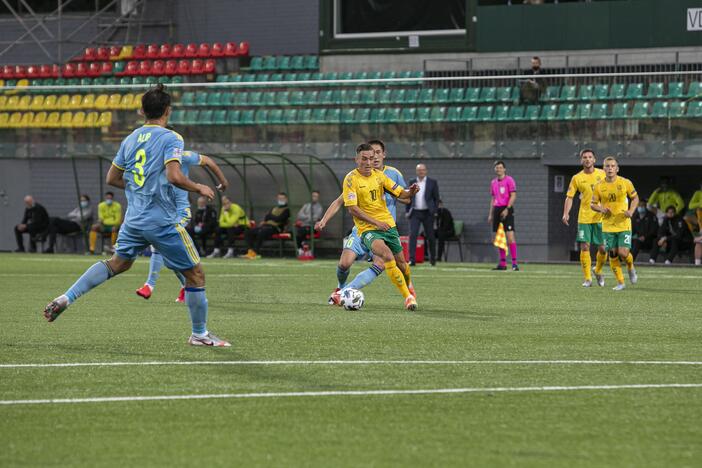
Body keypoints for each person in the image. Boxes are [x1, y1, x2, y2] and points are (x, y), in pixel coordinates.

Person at [43, 83, 230, 347]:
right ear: (168, 110)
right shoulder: (171, 138)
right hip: (160, 220)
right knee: (196, 275)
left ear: (142, 111)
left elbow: (112, 178)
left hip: (133, 219)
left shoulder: (129, 139)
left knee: (118, 263)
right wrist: (198, 186)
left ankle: (66, 297)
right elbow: (175, 176)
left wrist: (139, 188)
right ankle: (199, 334)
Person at [315, 139, 414, 303]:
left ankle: (345, 293)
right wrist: (324, 220)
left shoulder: (390, 175)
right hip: (363, 227)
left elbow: (406, 198)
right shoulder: (353, 178)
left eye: (376, 154)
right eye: (368, 156)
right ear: (360, 158)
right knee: (344, 264)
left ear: (383, 155)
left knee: (382, 263)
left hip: (385, 229)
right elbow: (340, 201)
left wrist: (401, 193)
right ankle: (341, 287)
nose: (372, 159)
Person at [136, 150, 229, 301]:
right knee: (169, 255)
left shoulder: (183, 156)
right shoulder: (153, 157)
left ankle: (149, 285)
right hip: (162, 212)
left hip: (180, 211)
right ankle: (184, 286)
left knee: (158, 246)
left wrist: (223, 181)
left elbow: (208, 160)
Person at [338, 143, 419, 310]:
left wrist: (411, 192)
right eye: (364, 159)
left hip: (388, 225)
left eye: (371, 159)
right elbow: (353, 208)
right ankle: (408, 298)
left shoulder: (380, 176)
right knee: (385, 254)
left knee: (403, 264)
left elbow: (401, 193)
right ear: (357, 159)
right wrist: (375, 222)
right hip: (368, 229)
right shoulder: (351, 179)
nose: (368, 162)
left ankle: (409, 286)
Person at [591, 156, 639, 291]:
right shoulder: (599, 186)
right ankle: (621, 282)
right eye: (607, 166)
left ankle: (630, 267)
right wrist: (601, 209)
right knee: (612, 253)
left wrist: (631, 210)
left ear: (617, 169)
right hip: (608, 225)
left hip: (623, 223)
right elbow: (593, 204)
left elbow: (635, 198)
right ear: (604, 169)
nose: (610, 168)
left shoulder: (625, 183)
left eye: (612, 166)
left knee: (623, 253)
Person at [561, 149, 607, 287]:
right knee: (585, 246)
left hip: (600, 217)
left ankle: (598, 270)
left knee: (603, 249)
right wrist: (566, 213)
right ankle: (588, 279)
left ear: (594, 159)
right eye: (585, 157)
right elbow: (569, 197)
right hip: (584, 217)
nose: (587, 159)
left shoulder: (603, 174)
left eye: (590, 157)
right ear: (581, 160)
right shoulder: (577, 178)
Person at [406, 163, 440, 266]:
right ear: (417, 171)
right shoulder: (412, 181)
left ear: (426, 171)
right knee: (413, 235)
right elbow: (408, 196)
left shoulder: (432, 182)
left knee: (430, 236)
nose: (421, 172)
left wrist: (434, 211)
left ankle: (432, 259)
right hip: (415, 212)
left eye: (423, 170)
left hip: (427, 213)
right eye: (419, 170)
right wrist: (407, 211)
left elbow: (436, 198)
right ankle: (412, 259)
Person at [488, 161, 519, 271]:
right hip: (497, 209)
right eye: (497, 168)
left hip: (507, 209)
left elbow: (513, 195)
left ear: (504, 169)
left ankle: (515, 264)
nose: (498, 170)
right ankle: (502, 264)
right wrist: (491, 214)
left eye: (500, 168)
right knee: (499, 237)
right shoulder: (493, 182)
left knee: (510, 237)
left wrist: (507, 209)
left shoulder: (509, 180)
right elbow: (493, 198)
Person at [242, 192, 290, 259]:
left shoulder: (287, 210)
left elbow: (279, 219)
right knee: (248, 232)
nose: (280, 200)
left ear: (286, 199)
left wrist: (271, 216)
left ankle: (256, 252)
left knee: (262, 232)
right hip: (266, 225)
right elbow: (267, 217)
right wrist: (272, 217)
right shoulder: (274, 208)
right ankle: (250, 251)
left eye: (282, 198)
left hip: (276, 228)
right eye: (279, 198)